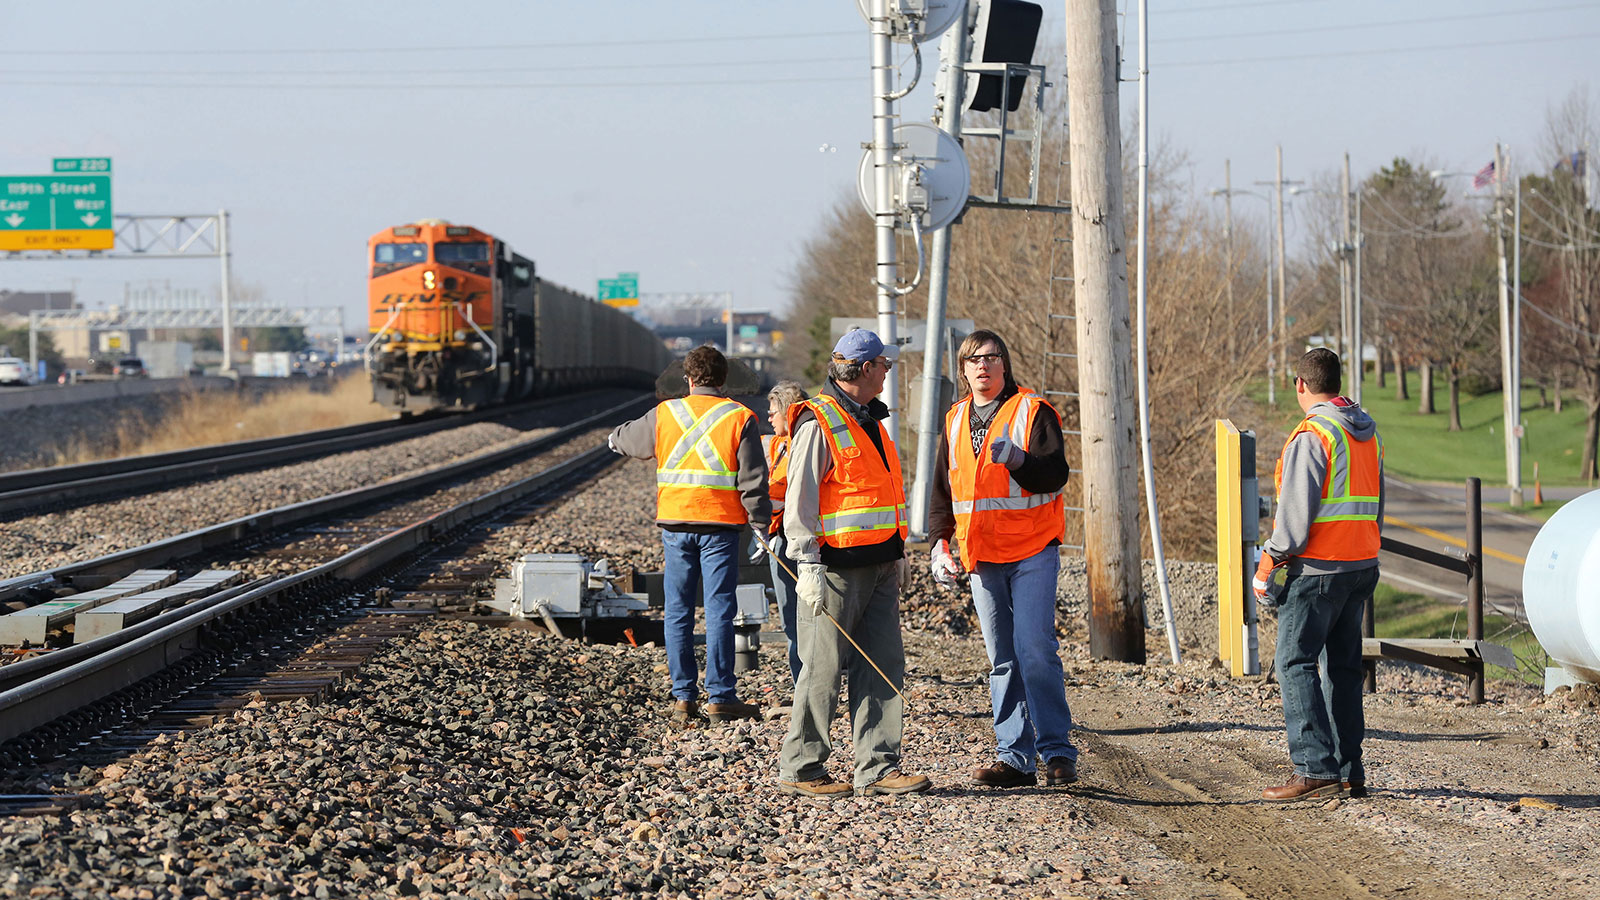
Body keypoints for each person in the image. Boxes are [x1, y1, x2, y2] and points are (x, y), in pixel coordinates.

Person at [777, 328, 930, 799]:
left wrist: (899, 551)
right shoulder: (819, 423)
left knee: (883, 666)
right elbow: (798, 498)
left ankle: (878, 767)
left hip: (881, 563)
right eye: (884, 365)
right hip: (836, 570)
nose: (887, 371)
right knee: (822, 669)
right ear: (865, 369)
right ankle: (801, 767)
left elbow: (882, 498)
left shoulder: (871, 421)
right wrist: (807, 563)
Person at [927, 329, 1079, 789]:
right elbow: (941, 489)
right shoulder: (954, 421)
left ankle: (1055, 751)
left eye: (991, 357)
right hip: (982, 555)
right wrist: (939, 542)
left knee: (1034, 652)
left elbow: (1056, 475)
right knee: (1002, 659)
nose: (983, 366)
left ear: (1005, 364)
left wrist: (1018, 460)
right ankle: (1014, 758)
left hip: (1032, 549)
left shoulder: (1033, 411)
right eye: (973, 359)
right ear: (963, 369)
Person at [608, 345, 771, 725]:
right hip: (720, 526)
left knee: (677, 611)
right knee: (719, 610)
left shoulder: (666, 412)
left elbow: (624, 439)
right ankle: (721, 697)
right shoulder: (739, 417)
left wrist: (614, 440)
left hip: (676, 525)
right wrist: (760, 525)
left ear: (690, 378)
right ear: (723, 378)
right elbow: (753, 481)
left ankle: (683, 697)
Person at [1254, 347, 1384, 802]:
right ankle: (1349, 771)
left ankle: (1314, 769)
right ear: (1338, 382)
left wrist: (1268, 563)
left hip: (1318, 572)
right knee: (1344, 669)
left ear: (1300, 386)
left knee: (1294, 661)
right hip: (1361, 566)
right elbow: (1375, 506)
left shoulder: (1314, 435)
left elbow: (1293, 518)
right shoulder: (1367, 433)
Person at [757, 380, 808, 686]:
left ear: (788, 412)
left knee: (800, 618)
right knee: (790, 618)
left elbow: (782, 492)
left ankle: (809, 684)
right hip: (778, 538)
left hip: (797, 540)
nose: (769, 417)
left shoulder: (805, 444)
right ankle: (800, 684)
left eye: (774, 411)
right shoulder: (779, 445)